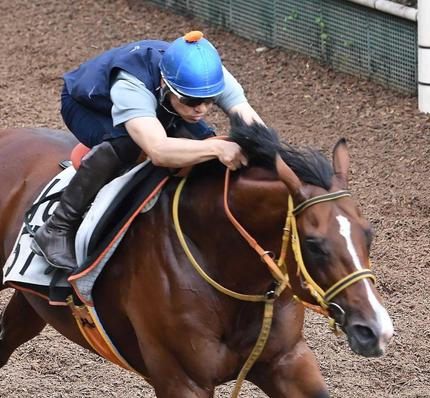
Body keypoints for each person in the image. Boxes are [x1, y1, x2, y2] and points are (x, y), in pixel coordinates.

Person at [31, 30, 265, 273]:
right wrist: (217, 146)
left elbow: (253, 127)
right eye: (192, 102)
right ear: (165, 84)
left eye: (210, 100)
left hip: (159, 102)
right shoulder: (131, 84)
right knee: (127, 144)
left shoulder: (209, 76)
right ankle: (57, 227)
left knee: (202, 143)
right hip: (89, 106)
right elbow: (159, 150)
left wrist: (272, 155)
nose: (202, 109)